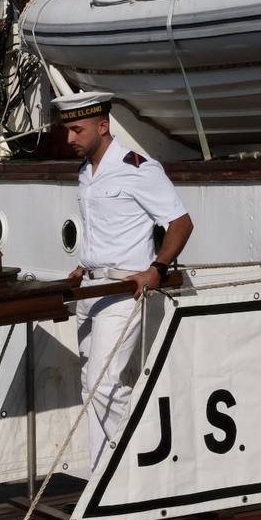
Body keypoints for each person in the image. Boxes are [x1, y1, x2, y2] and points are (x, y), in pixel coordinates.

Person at [59, 91, 194, 469]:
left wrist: (158, 269)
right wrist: (84, 266)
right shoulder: (86, 171)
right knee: (91, 386)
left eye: (77, 129)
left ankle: (143, 463)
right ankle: (103, 480)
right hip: (91, 288)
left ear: (103, 127)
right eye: (67, 130)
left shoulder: (138, 168)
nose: (70, 138)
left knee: (104, 383)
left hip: (123, 291)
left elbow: (180, 223)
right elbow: (104, 229)